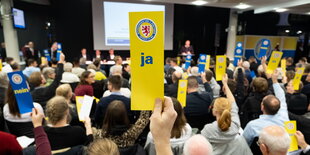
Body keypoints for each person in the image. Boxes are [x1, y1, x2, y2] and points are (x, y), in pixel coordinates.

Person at [201, 74, 252, 155]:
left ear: (215, 111)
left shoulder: (208, 129)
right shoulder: (235, 124)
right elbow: (233, 103)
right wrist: (225, 84)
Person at [243, 70, 289, 146]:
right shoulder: (284, 116)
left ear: (262, 107)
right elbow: (281, 96)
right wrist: (274, 80)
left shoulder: (252, 126)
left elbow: (244, 143)